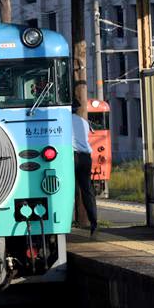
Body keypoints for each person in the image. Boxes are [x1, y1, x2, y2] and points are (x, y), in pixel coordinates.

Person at [72, 101, 98, 236]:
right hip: (86, 157)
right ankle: (94, 221)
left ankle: (66, 220)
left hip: (72, 156)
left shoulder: (62, 120)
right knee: (87, 189)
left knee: (68, 189)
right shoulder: (83, 121)